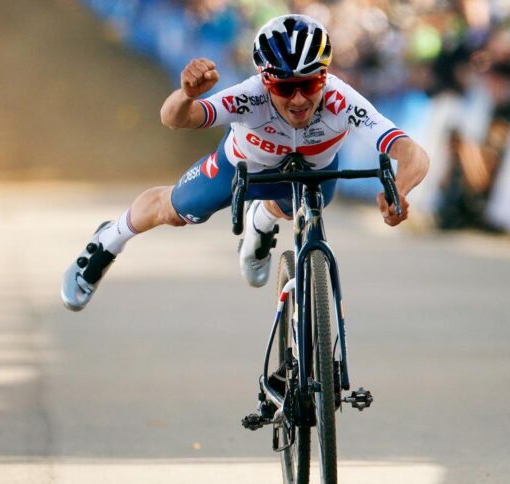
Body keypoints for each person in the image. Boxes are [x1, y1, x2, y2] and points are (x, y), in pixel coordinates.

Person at [61, 14, 430, 311]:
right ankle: (108, 240)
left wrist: (399, 191)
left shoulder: (341, 98)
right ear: (265, 81)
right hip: (241, 170)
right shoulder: (248, 97)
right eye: (285, 87)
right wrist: (186, 95)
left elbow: (412, 152)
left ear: (324, 77)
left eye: (310, 84)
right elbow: (175, 119)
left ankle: (261, 220)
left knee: (295, 206)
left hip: (311, 177)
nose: (299, 99)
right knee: (172, 211)